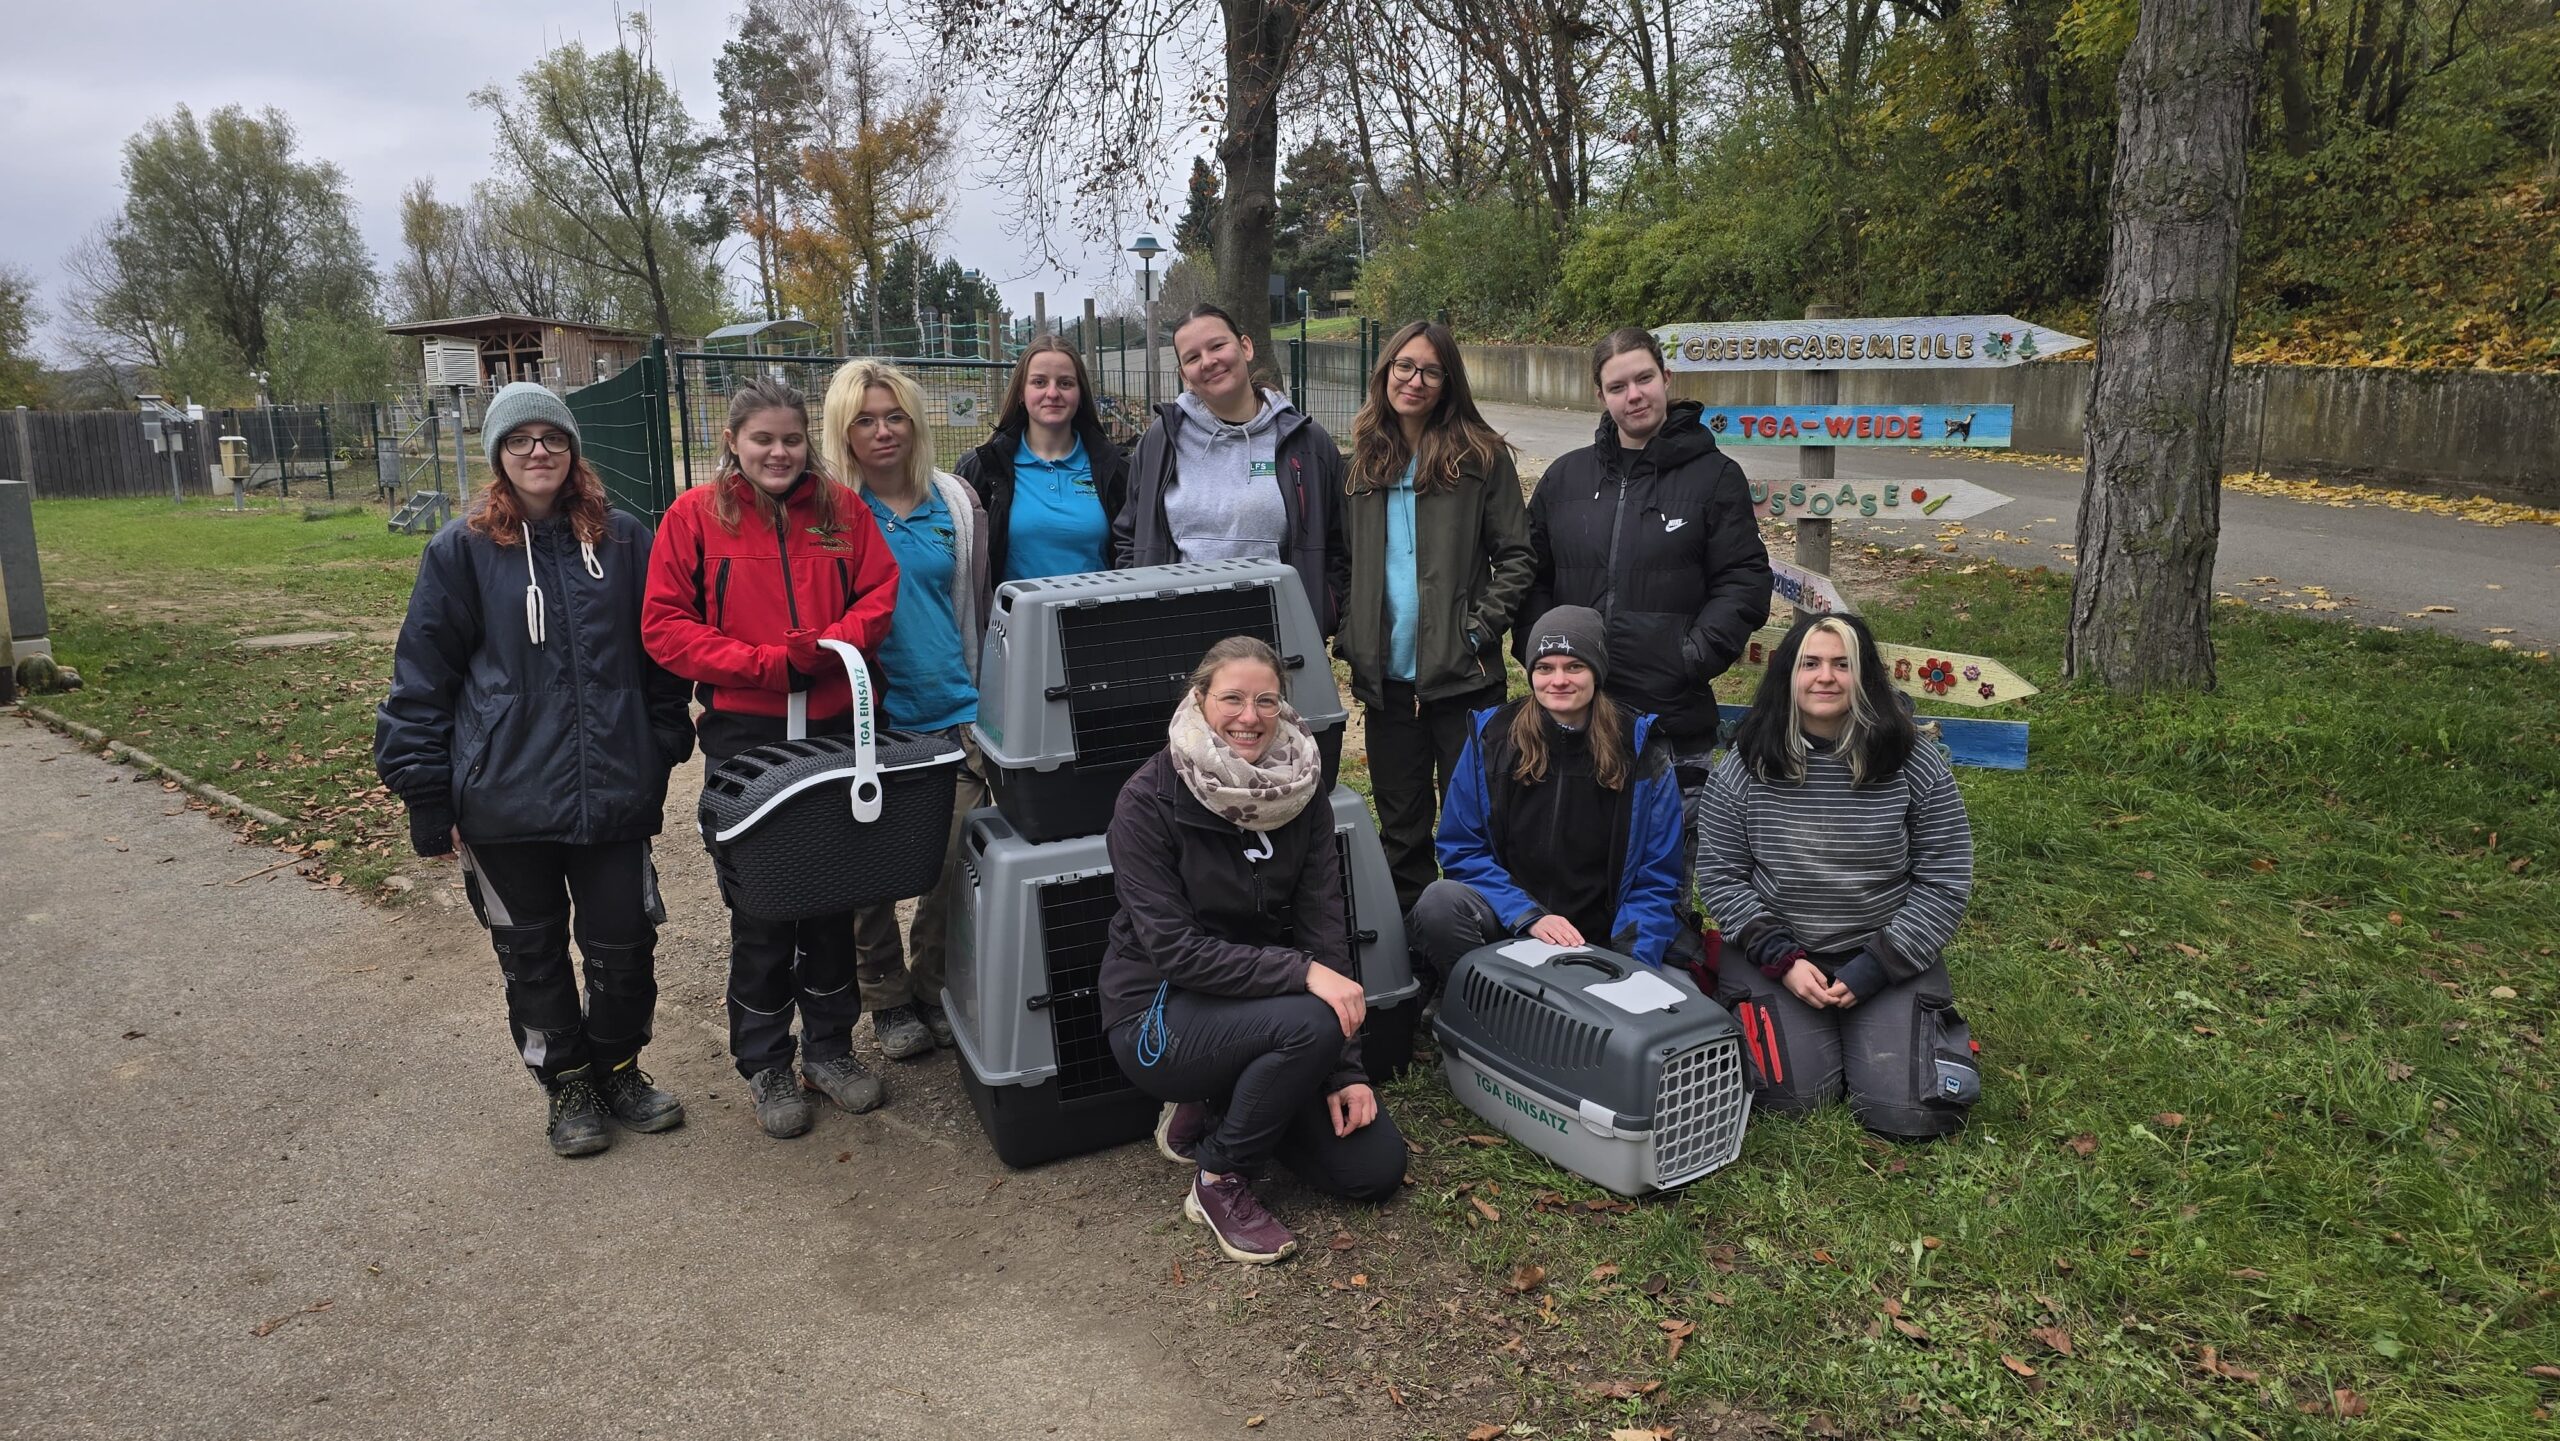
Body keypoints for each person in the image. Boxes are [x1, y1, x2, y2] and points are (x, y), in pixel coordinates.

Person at [376, 381, 693, 1158]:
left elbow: (663, 653)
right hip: (503, 796)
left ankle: (618, 1065)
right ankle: (569, 1085)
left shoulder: (623, 541)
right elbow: (423, 676)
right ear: (499, 455)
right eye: (520, 441)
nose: (538, 451)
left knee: (624, 943)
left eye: (551, 437)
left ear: (572, 449)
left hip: (612, 789)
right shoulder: (462, 550)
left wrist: (658, 744)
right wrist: (425, 791)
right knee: (532, 951)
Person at [641, 376, 901, 1140]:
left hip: (833, 728)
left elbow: (878, 594)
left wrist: (826, 649)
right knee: (761, 904)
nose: (779, 452)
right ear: (734, 440)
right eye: (763, 439)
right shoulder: (695, 516)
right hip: (746, 734)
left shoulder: (839, 510)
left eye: (791, 439)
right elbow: (665, 624)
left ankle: (828, 1047)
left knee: (829, 897)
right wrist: (761, 664)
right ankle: (764, 1059)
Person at [1101, 636, 1406, 1265]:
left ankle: (1216, 1108)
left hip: (1269, 1009)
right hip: (1160, 1010)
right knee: (1311, 1017)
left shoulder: (1302, 789)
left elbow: (1326, 926)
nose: (1249, 716)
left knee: (1373, 1170)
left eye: (1266, 700)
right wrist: (1303, 974)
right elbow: (1178, 952)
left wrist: (1346, 1071)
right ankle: (1219, 1176)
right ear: (1199, 698)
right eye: (1232, 698)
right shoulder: (1145, 801)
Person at [1694, 612, 1978, 1139]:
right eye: (1811, 664)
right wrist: (1783, 959)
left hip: (1882, 951)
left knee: (1911, 1114)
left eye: (1842, 665)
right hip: (1777, 954)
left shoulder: (1913, 761)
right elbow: (1720, 876)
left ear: (1864, 677)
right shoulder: (1744, 764)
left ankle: (1893, 1035)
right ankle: (1807, 1029)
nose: (1825, 677)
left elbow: (1944, 878)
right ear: (1789, 677)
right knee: (1792, 1099)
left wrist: (1875, 967)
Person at [1522, 326, 1772, 854]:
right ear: (1600, 396)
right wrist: (1546, 653)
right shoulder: (1565, 480)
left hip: (1670, 721)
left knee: (1663, 878)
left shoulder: (1715, 478)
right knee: (1573, 865)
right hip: (1575, 718)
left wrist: (1691, 656)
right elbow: (1530, 576)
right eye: (1618, 386)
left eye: (1644, 378)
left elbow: (1744, 579)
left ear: (1666, 378)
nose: (1633, 395)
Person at [820, 358, 994, 1060]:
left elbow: (973, 604)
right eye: (865, 419)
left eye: (894, 416)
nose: (882, 430)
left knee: (953, 861)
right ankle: (885, 999)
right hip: (869, 721)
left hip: (954, 707)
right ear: (843, 430)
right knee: (870, 871)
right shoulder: (829, 512)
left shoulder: (951, 500)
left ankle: (930, 984)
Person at [1337, 321, 1536, 912]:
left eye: (1430, 370)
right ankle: (1416, 966)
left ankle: (1475, 956)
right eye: (1404, 366)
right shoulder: (1360, 464)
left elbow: (1518, 556)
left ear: (1448, 381)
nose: (1414, 381)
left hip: (1464, 683)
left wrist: (1477, 629)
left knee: (1475, 829)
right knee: (1402, 835)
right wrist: (1353, 633)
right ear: (1385, 372)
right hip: (1387, 688)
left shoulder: (1480, 458)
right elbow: (1346, 563)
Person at [1406, 608, 1689, 991]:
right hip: (1510, 925)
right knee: (1440, 902)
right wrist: (1529, 916)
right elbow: (1462, 849)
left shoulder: (1642, 753)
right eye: (1545, 667)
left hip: (1601, 941)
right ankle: (1479, 1003)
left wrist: (1628, 964)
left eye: (1574, 667)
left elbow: (1656, 879)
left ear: (1597, 672)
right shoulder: (1492, 739)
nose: (1558, 680)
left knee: (1683, 995)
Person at [1113, 305, 1349, 634]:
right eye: (1192, 357)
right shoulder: (1161, 441)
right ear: (1184, 374)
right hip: (1178, 634)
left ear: (1246, 347)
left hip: (1280, 637)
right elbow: (1129, 537)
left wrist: (1325, 610)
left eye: (1217, 346)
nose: (1208, 361)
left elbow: (1338, 541)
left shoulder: (1305, 442)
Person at [955, 334, 1129, 584]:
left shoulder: (1116, 469)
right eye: (1039, 382)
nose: (1052, 393)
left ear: (1080, 395)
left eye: (1065, 383)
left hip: (1096, 619)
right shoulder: (980, 469)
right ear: (1020, 394)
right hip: (1014, 622)